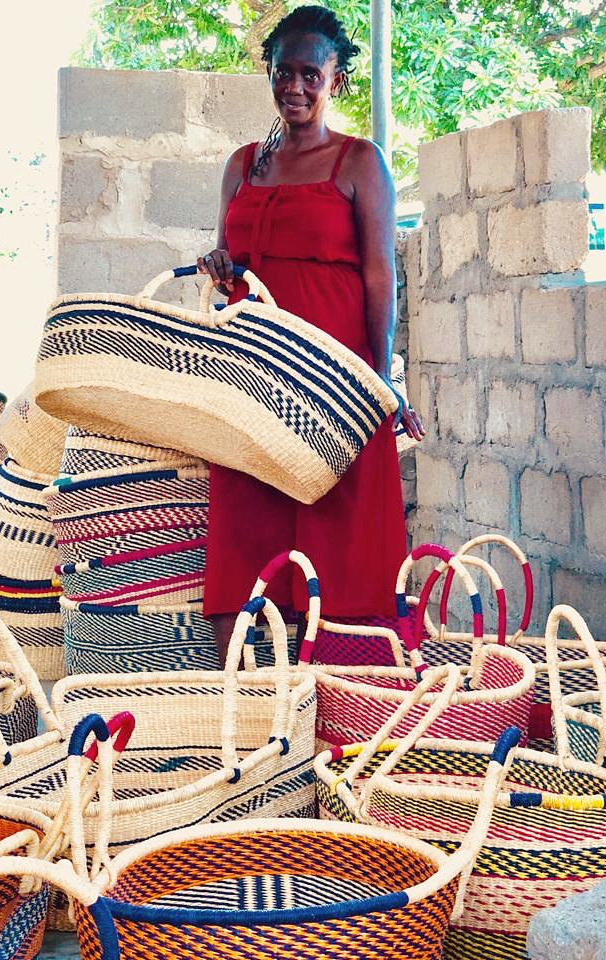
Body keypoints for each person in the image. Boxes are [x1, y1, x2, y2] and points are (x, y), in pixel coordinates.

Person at [198, 4, 424, 665]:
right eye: (281, 73)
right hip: (254, 385)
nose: (294, 87)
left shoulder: (360, 163)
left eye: (309, 74)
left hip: (335, 386)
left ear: (336, 81)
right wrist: (219, 270)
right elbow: (226, 266)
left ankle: (347, 712)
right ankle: (249, 710)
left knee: (345, 541)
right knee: (245, 539)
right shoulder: (242, 166)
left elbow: (382, 281)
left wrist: (377, 383)